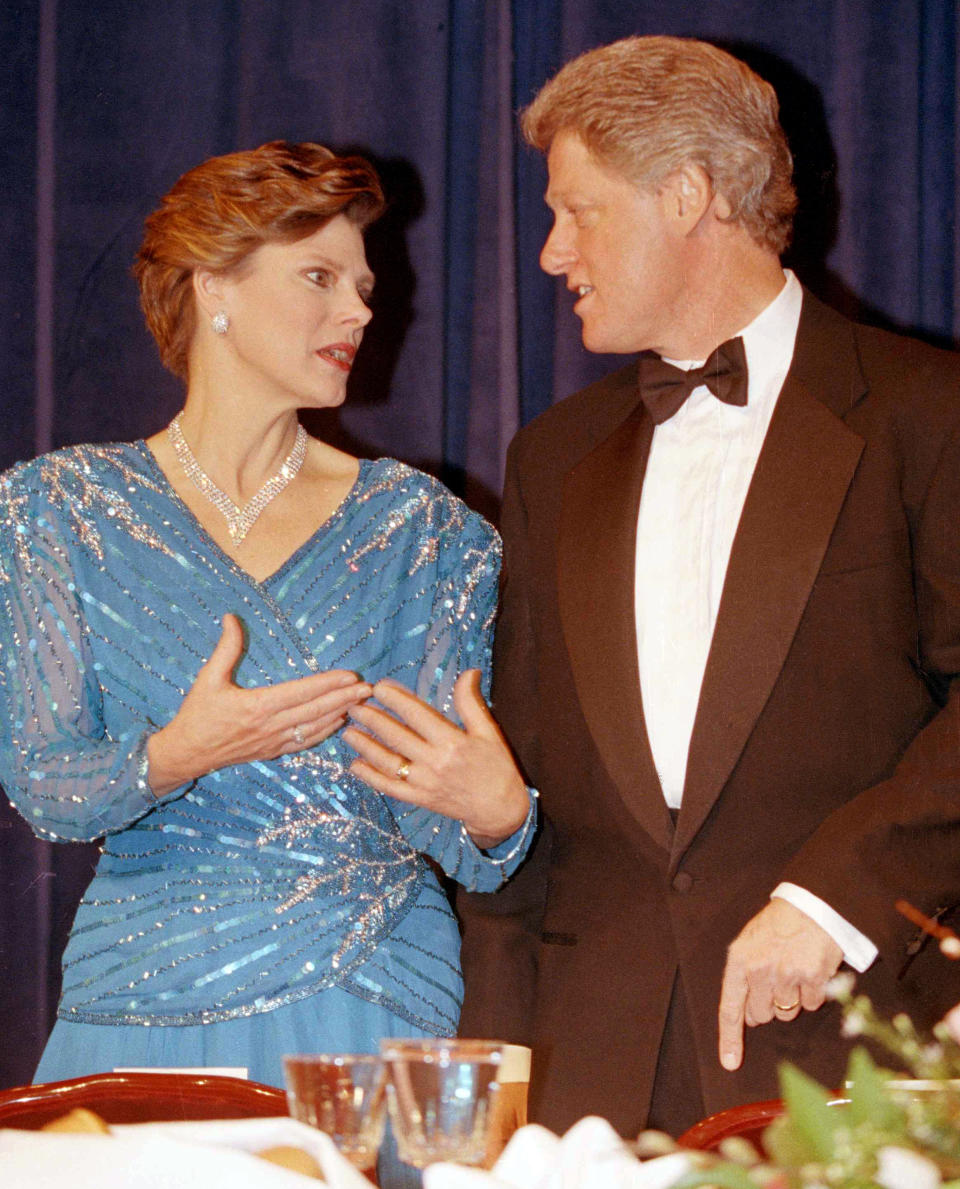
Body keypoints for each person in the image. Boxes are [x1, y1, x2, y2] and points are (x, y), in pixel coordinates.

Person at [456, 36, 960, 1138]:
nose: (550, 252)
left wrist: (834, 894)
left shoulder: (928, 412)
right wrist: (488, 1089)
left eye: (576, 210)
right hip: (591, 1080)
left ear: (686, 195)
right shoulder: (551, 456)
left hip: (847, 1057)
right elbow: (523, 791)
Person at [0, 141, 533, 1126]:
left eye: (364, 286)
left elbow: (454, 828)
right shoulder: (54, 510)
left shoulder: (425, 528)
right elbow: (46, 786)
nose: (361, 312)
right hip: (139, 995)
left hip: (369, 1000)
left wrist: (499, 814)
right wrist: (177, 754)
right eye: (319, 278)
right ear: (214, 289)